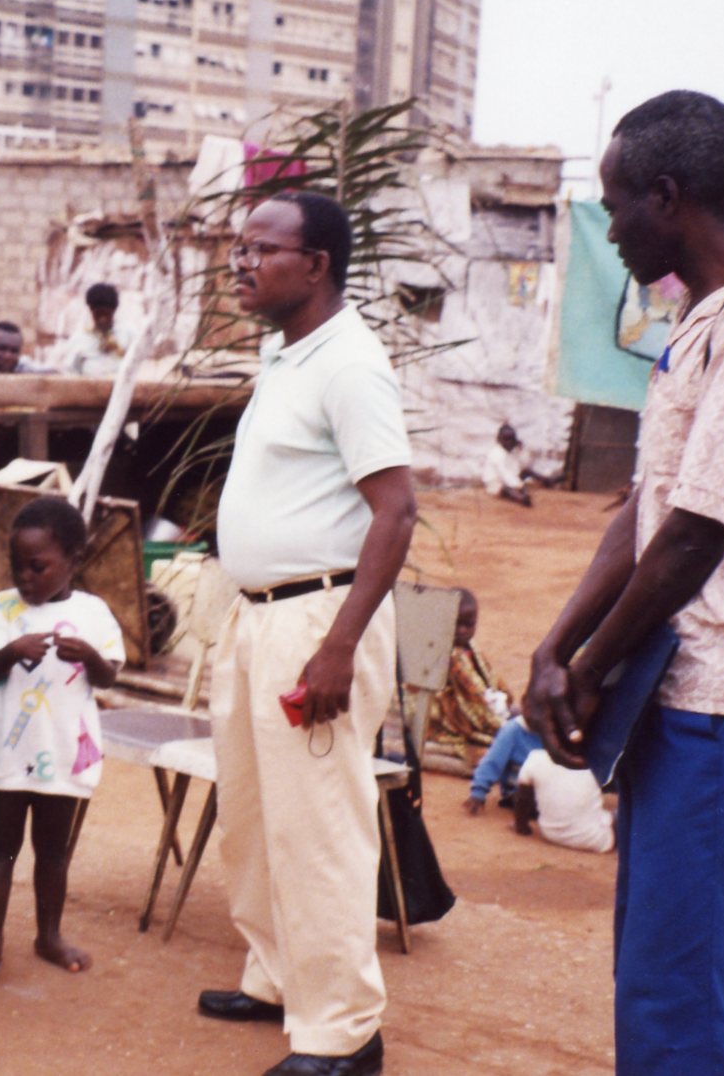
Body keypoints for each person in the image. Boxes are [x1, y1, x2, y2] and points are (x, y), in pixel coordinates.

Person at [522, 91, 724, 1073]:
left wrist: (588, 669)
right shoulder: (713, 311)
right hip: (679, 691)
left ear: (665, 197)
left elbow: (695, 535)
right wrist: (557, 646)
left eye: (616, 205)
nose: (612, 229)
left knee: (679, 998)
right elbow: (650, 508)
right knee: (662, 977)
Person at [196, 190, 417, 1076]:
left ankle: (344, 1034)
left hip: (318, 621)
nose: (241, 262)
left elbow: (395, 511)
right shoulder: (287, 353)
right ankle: (280, 978)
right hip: (258, 615)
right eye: (240, 247)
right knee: (256, 821)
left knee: (319, 828)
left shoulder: (351, 366)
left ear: (316, 264)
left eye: (263, 249)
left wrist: (339, 647)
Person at [0, 495, 124, 981]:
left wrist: (90, 657)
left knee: (53, 852)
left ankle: (49, 936)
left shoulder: (93, 613)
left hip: (62, 752)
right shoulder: (2, 609)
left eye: (37, 566)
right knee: (0, 848)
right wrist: (12, 650)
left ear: (73, 559)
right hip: (9, 754)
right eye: (17, 566)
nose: (25, 577)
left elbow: (109, 676)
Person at [425, 589, 509, 769]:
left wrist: (501, 697)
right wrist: (495, 717)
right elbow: (471, 692)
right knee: (504, 732)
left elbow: (489, 677)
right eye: (456, 624)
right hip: (449, 713)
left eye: (468, 625)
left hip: (479, 703)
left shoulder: (471, 648)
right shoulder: (449, 654)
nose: (462, 630)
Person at [511, 748, 615, 853]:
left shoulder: (536, 757)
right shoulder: (597, 761)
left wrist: (521, 827)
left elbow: (522, 799)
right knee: (618, 812)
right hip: (596, 840)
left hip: (550, 834)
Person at [461, 715, 544, 813]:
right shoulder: (513, 730)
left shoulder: (554, 729)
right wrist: (478, 791)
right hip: (518, 787)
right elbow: (492, 761)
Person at [61, 283, 131, 377]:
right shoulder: (80, 339)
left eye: (106, 314)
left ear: (114, 311)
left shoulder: (129, 335)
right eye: (98, 314)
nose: (102, 320)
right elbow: (70, 372)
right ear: (91, 311)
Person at [481, 425, 534, 507]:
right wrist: (519, 485)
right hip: (496, 481)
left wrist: (521, 449)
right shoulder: (496, 454)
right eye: (506, 439)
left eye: (512, 439)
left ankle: (547, 480)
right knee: (505, 489)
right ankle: (520, 498)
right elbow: (504, 474)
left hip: (510, 477)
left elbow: (523, 463)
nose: (509, 442)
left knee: (527, 471)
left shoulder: (513, 451)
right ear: (499, 440)